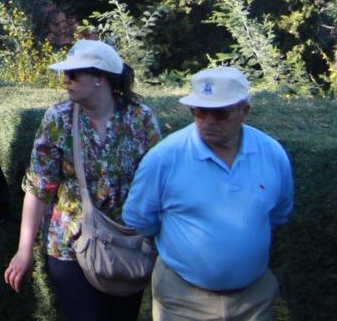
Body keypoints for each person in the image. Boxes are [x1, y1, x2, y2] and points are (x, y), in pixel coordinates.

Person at [4, 39, 162, 321]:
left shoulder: (140, 119)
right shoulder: (59, 118)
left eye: (73, 74)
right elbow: (40, 187)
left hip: (126, 245)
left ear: (100, 78)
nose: (65, 81)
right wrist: (23, 250)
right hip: (70, 246)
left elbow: (158, 183)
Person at [123, 67, 293, 321]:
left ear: (244, 111)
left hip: (253, 301)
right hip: (182, 300)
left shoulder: (271, 153)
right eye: (200, 111)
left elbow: (278, 213)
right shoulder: (164, 157)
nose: (209, 121)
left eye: (221, 113)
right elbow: (139, 220)